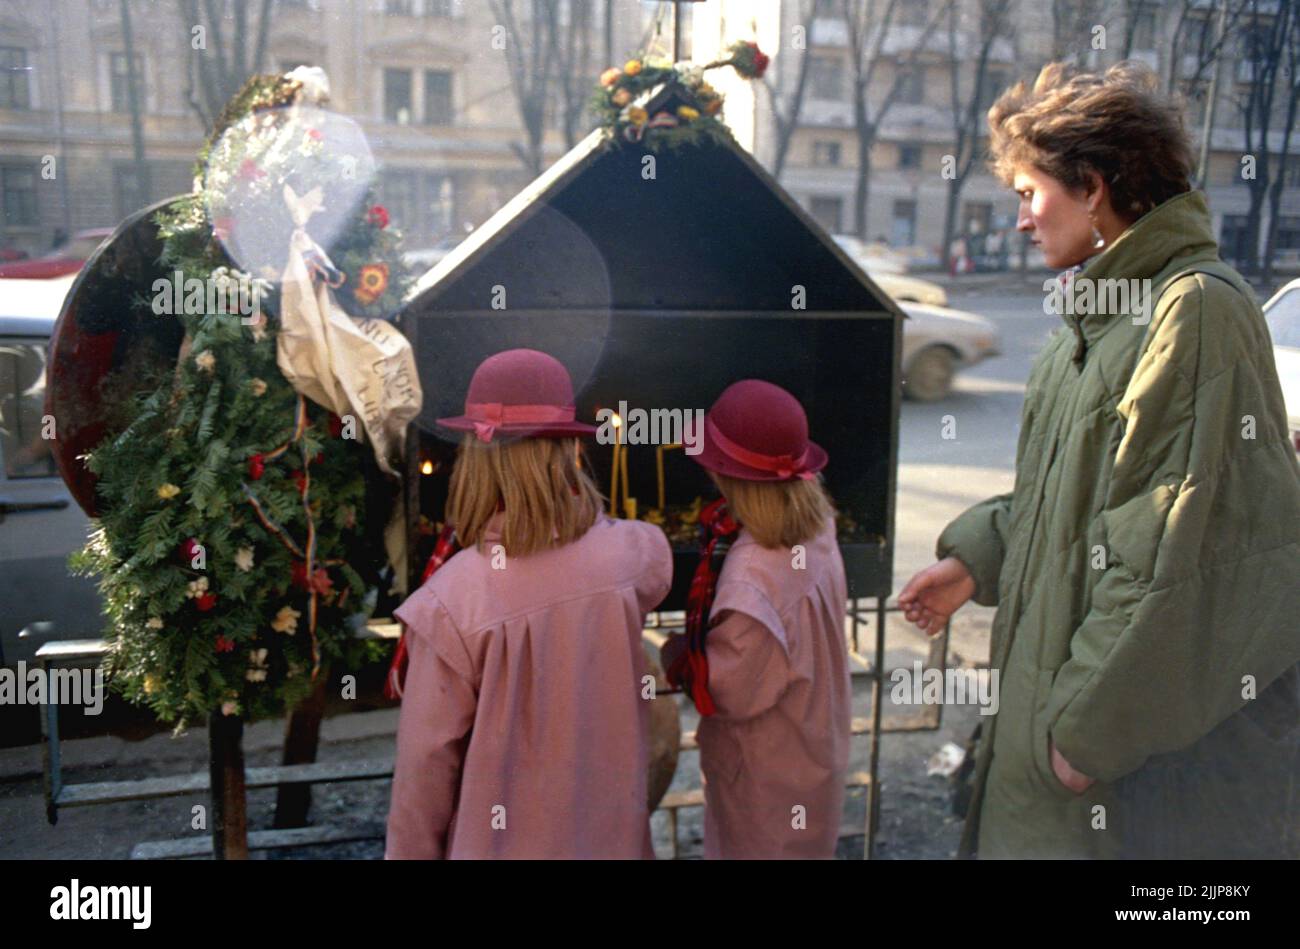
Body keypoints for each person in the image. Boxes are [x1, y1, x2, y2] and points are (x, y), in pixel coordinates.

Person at [899, 60, 1300, 859]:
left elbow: (1176, 553)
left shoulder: (1194, 310)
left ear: (1092, 185)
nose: (1020, 219)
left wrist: (1084, 737)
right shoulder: (1092, 324)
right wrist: (980, 559)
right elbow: (1065, 504)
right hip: (1056, 749)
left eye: (1028, 193)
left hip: (1119, 788)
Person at [385, 348, 673, 859]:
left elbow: (422, 780)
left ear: (475, 455)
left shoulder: (452, 603)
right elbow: (652, 573)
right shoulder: (633, 553)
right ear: (567, 452)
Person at [661, 380, 851, 858]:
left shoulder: (752, 576)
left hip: (766, 772)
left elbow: (729, 691)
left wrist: (675, 654)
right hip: (812, 743)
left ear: (725, 474)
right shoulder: (818, 523)